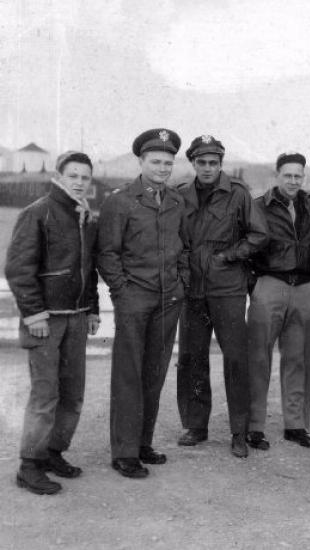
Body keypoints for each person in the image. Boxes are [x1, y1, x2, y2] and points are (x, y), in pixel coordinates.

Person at [6, 151, 100, 494]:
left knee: (72, 394)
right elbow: (18, 269)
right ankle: (29, 465)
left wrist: (92, 309)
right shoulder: (37, 213)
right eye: (72, 175)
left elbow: (88, 271)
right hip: (45, 321)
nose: (79, 182)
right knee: (45, 394)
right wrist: (34, 315)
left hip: (75, 319)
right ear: (59, 177)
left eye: (85, 177)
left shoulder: (86, 217)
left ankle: (52, 453)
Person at [97, 128, 188, 478]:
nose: (163, 168)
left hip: (169, 299)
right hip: (135, 299)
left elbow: (183, 247)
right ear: (140, 161)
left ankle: (142, 443)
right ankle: (124, 452)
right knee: (128, 376)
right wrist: (122, 292)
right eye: (156, 161)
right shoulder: (120, 201)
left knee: (154, 373)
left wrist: (181, 282)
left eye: (168, 162)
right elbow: (107, 253)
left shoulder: (177, 202)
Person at [175, 135, 268, 458]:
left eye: (213, 163)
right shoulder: (181, 195)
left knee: (236, 360)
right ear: (193, 163)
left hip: (227, 288)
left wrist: (229, 256)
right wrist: (184, 268)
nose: (207, 168)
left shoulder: (238, 195)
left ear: (221, 164)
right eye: (201, 162)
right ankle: (195, 425)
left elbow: (259, 235)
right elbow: (175, 239)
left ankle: (239, 431)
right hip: (193, 290)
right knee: (191, 357)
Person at [246, 152, 310, 449]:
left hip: (304, 288)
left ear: (303, 177)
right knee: (258, 358)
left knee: (298, 358)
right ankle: (254, 426)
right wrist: (255, 286)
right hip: (270, 285)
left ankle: (296, 425)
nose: (293, 180)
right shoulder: (258, 207)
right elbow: (246, 249)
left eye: (298, 175)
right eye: (288, 175)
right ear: (276, 175)